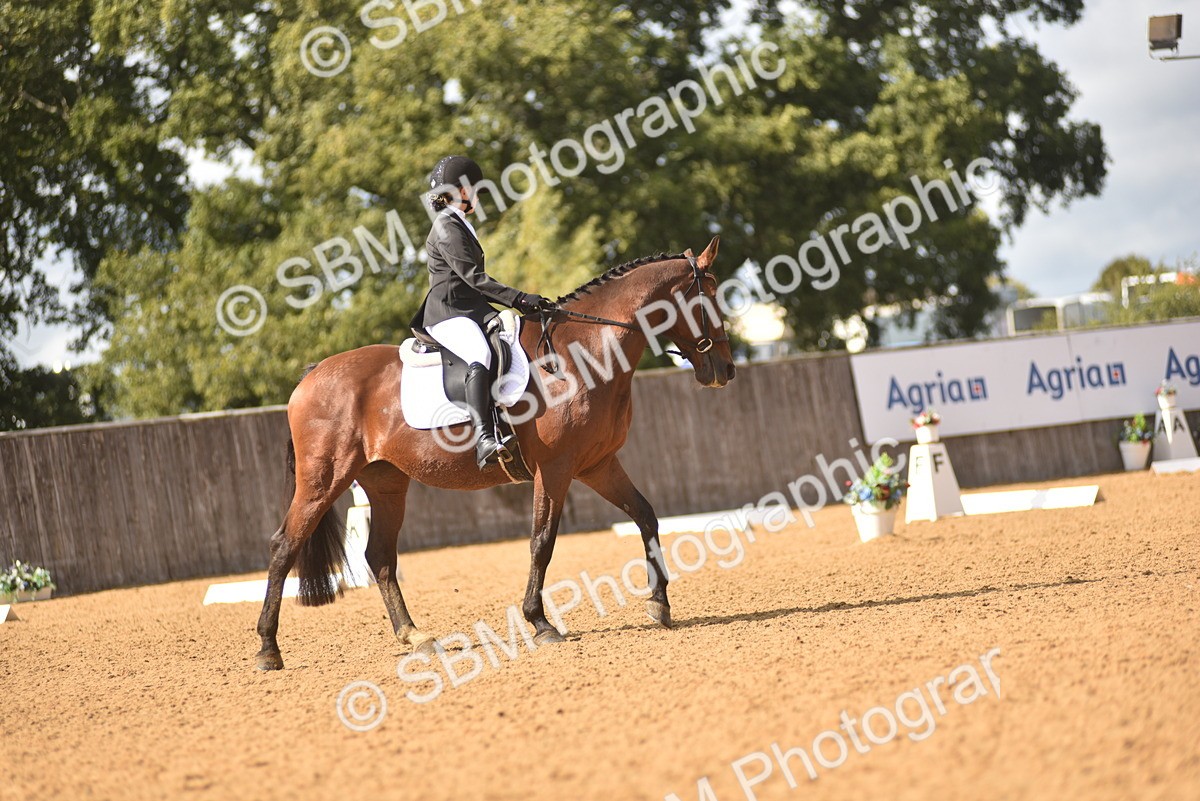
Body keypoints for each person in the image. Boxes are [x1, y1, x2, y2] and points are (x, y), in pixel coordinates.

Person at [409, 155, 558, 469]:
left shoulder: (459, 223)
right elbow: (473, 278)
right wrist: (519, 299)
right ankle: (484, 438)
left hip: (469, 309)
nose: (477, 196)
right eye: (474, 190)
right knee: (481, 352)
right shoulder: (446, 226)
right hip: (448, 312)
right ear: (462, 191)